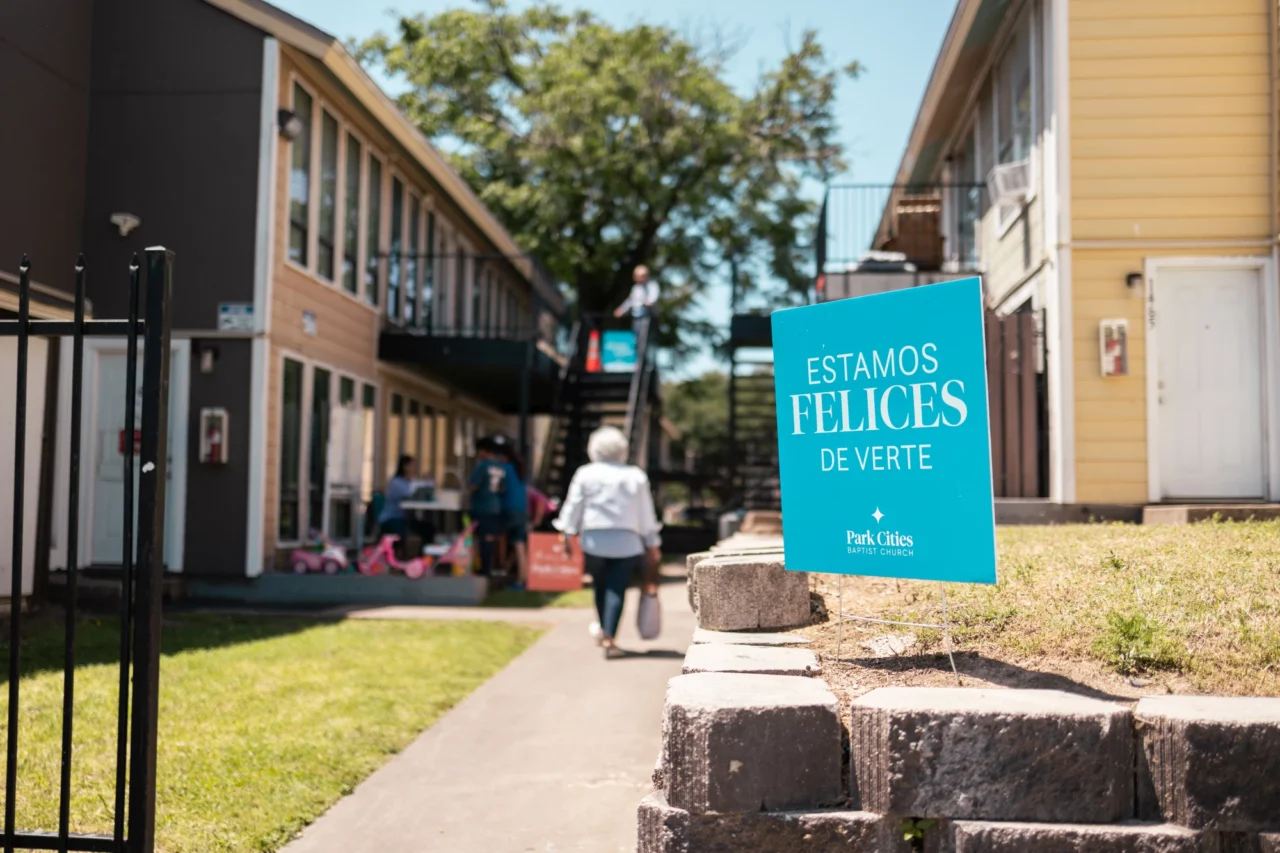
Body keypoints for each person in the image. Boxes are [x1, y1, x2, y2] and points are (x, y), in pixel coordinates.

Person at [553, 425, 662, 659]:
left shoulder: (585, 473)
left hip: (594, 539)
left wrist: (566, 533)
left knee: (599, 587)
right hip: (626, 541)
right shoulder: (635, 475)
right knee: (617, 589)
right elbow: (646, 514)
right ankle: (609, 635)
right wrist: (652, 543)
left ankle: (604, 630)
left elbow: (574, 505)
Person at [492, 437, 529, 590]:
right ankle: (522, 578)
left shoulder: (504, 469)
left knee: (495, 537)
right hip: (522, 510)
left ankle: (501, 569)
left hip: (509, 509)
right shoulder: (519, 469)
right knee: (519, 544)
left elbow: (499, 488)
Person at [467, 438, 508, 575]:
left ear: (483, 451)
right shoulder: (500, 467)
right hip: (495, 506)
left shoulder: (482, 466)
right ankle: (488, 567)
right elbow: (502, 488)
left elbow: (473, 485)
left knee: (479, 538)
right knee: (490, 538)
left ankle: (480, 568)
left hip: (481, 506)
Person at [378, 455, 416, 551]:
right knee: (401, 532)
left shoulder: (409, 482)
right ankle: (397, 556)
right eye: (412, 466)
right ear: (405, 467)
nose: (414, 469)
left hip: (404, 519)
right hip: (392, 518)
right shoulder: (396, 483)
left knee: (427, 528)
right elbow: (410, 495)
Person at [612, 265, 659, 333]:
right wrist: (621, 310)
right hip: (637, 316)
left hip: (648, 318)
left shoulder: (652, 286)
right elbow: (630, 301)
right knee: (636, 336)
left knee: (644, 337)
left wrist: (648, 302)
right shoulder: (636, 288)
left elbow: (653, 299)